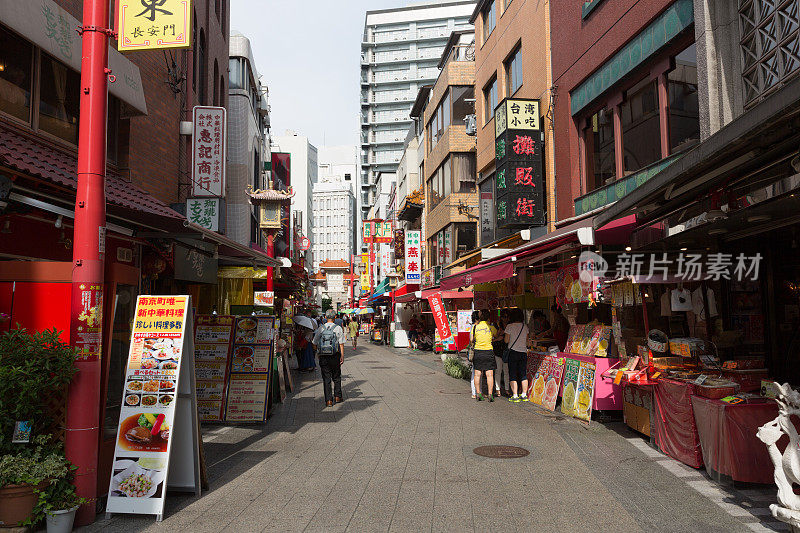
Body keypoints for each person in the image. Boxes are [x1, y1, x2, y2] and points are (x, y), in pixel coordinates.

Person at [312, 309, 346, 407]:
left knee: (326, 378)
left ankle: (329, 401)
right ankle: (338, 397)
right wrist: (342, 356)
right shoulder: (338, 328)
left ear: (325, 318)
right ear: (335, 317)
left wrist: (318, 353)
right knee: (336, 376)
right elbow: (341, 344)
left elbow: (314, 342)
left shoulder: (321, 328)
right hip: (335, 356)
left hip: (323, 356)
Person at [470, 309, 497, 402]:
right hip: (489, 351)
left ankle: (478, 394)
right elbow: (496, 335)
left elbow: (471, 340)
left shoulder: (474, 327)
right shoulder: (491, 327)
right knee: (489, 374)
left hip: (478, 352)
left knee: (477, 374)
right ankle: (490, 394)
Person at [504, 308, 530, 402]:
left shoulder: (509, 326)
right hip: (523, 352)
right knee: (523, 374)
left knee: (513, 374)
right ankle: (524, 394)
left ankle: (515, 395)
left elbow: (506, 341)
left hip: (513, 352)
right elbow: (527, 342)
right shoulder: (525, 326)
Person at [492, 312, 509, 397]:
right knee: (498, 371)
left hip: (506, 351)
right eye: (504, 317)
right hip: (498, 351)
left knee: (506, 371)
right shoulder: (497, 326)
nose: (505, 319)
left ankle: (507, 389)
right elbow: (494, 338)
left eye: (507, 317)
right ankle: (498, 389)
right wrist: (499, 335)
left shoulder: (510, 326)